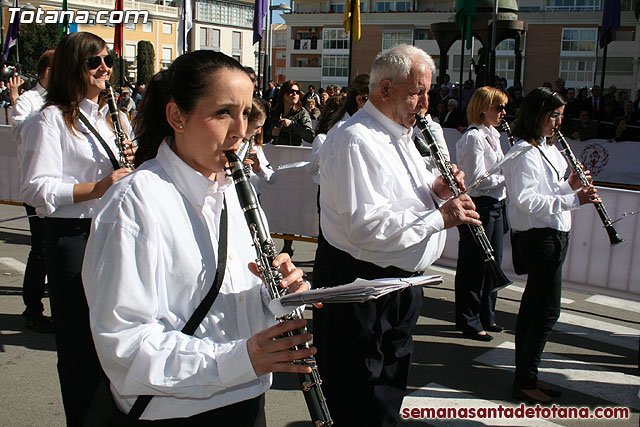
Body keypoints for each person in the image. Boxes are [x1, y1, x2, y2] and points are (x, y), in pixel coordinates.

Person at [82, 50, 316, 424]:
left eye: (245, 113)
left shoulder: (235, 190)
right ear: (177, 117)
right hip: (171, 412)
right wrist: (238, 359)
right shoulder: (134, 202)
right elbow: (124, 342)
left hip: (246, 397)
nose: (240, 131)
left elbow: (227, 306)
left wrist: (274, 295)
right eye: (223, 113)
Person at [313, 44, 482, 426]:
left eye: (428, 91)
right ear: (384, 90)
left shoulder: (405, 134)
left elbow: (401, 202)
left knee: (388, 394)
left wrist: (436, 191)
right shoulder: (356, 139)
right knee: (357, 397)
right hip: (360, 286)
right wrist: (440, 218)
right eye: (416, 92)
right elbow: (366, 227)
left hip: (399, 284)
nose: (425, 103)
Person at [19, 32, 135, 425]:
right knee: (79, 345)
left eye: (107, 60)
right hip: (73, 238)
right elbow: (36, 188)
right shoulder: (49, 120)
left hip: (112, 234)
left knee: (115, 337)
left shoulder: (112, 116)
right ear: (75, 68)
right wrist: (99, 187)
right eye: (94, 62)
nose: (105, 68)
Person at [503, 87, 599, 404]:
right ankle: (525, 380)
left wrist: (569, 185)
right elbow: (526, 200)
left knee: (535, 310)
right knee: (545, 313)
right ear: (537, 116)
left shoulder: (548, 148)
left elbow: (549, 190)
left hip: (554, 235)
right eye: (553, 116)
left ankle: (527, 376)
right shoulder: (523, 153)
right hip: (538, 239)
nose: (559, 122)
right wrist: (575, 198)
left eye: (560, 115)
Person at [454, 86, 508, 342]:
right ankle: (469, 319)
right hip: (479, 204)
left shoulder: (493, 134)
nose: (503, 113)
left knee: (492, 262)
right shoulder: (474, 137)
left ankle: (487, 314)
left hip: (495, 203)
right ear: (483, 108)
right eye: (498, 107)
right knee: (474, 265)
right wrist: (506, 177)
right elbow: (476, 180)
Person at [8, 50, 54, 333]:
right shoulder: (29, 100)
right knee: (39, 251)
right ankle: (32, 309)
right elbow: (19, 131)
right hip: (39, 188)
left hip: (65, 189)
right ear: (47, 71)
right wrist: (47, 117)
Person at [240, 97, 276, 199]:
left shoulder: (254, 144)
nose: (259, 132)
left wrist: (259, 169)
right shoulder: (227, 145)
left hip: (253, 196)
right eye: (256, 127)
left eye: (261, 127)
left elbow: (273, 178)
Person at [266, 79, 314, 146]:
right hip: (276, 152)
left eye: (297, 92)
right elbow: (263, 134)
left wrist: (292, 125)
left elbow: (310, 136)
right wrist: (271, 132)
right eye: (291, 91)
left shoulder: (302, 113)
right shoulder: (275, 112)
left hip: (294, 153)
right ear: (283, 94)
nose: (295, 94)